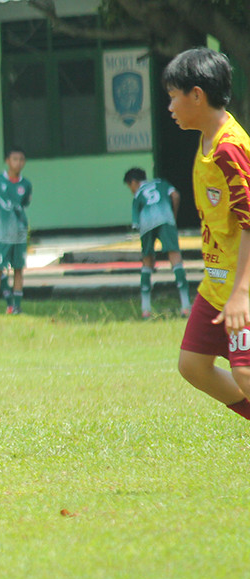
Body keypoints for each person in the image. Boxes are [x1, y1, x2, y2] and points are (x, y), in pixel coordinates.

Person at [165, 48, 250, 425]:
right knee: (193, 365)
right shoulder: (207, 141)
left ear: (196, 95)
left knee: (245, 373)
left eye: (173, 96)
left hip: (241, 287)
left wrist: (241, 294)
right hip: (216, 284)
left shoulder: (229, 148)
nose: (170, 107)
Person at [123, 167, 192, 318]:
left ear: (133, 182)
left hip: (147, 222)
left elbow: (136, 222)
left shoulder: (138, 194)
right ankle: (186, 305)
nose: (131, 190)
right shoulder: (161, 183)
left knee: (147, 260)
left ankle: (145, 309)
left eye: (129, 187)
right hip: (166, 218)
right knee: (175, 256)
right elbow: (175, 195)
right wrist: (173, 215)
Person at [0, 147, 31, 315]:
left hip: (19, 235)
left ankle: (17, 306)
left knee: (18, 269)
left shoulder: (26, 184)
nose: (18, 163)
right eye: (15, 159)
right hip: (0, 235)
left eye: (21, 159)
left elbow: (24, 205)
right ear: (7, 161)